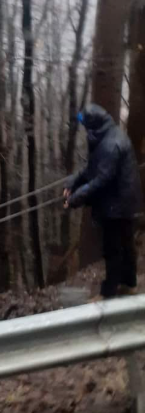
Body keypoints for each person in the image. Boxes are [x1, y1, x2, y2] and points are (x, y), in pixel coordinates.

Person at [64, 103, 143, 300]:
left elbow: (100, 180)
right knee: (125, 245)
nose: (84, 129)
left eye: (85, 125)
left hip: (117, 205)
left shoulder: (110, 145)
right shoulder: (105, 136)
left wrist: (75, 199)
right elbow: (90, 169)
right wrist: (72, 183)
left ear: (93, 125)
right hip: (121, 201)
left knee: (113, 249)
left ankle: (108, 293)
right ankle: (129, 284)